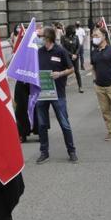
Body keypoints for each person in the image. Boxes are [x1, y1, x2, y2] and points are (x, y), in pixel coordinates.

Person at [36, 27, 78, 164]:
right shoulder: (39, 52)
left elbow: (71, 68)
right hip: (42, 93)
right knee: (42, 124)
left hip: (58, 93)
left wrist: (59, 74)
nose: (40, 39)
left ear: (48, 38)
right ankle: (44, 152)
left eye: (42, 37)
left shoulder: (60, 51)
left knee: (64, 124)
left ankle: (72, 151)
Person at [61, 25, 84, 93]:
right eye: (72, 31)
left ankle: (80, 87)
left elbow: (78, 46)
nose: (73, 33)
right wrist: (71, 55)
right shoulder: (63, 37)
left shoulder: (76, 37)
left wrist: (76, 54)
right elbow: (63, 48)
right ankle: (63, 86)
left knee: (77, 71)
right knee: (65, 71)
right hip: (67, 57)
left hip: (75, 57)